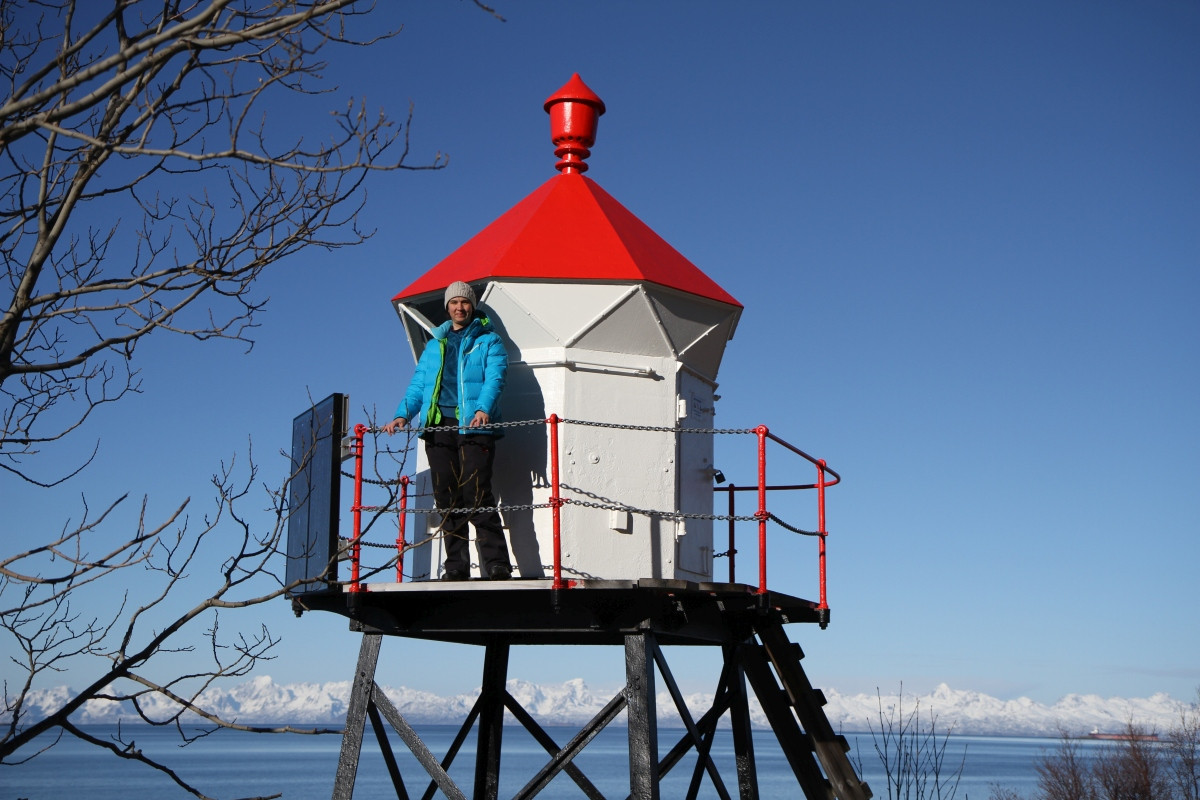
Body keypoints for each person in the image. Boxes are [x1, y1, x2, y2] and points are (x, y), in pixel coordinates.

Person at [383, 281, 514, 581]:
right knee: (447, 498)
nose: (459, 307)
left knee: (476, 493)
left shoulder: (489, 341)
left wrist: (483, 409)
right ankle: (455, 565)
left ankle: (497, 563)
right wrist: (403, 414)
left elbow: (496, 377)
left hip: (475, 426)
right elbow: (419, 384)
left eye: (464, 302)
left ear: (472, 306)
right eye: (454, 302)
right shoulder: (434, 345)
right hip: (438, 426)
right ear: (447, 307)